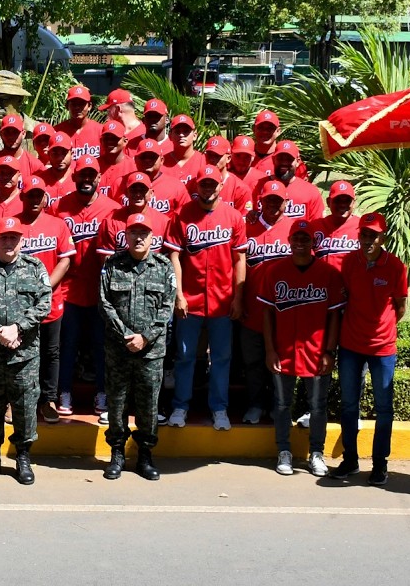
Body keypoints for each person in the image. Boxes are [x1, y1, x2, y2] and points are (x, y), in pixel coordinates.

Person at [0, 217, 53, 485]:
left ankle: (23, 457)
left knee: (25, 408)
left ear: (22, 240)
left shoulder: (35, 268)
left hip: (24, 355)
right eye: (3, 237)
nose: (8, 243)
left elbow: (44, 303)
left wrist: (18, 328)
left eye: (14, 238)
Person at [258, 219, 344, 477]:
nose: (299, 243)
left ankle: (316, 452)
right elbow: (267, 314)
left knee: (318, 405)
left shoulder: (329, 274)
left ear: (313, 242)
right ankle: (283, 451)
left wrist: (329, 351)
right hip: (283, 351)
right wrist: (270, 350)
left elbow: (333, 317)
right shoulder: (273, 271)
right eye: (296, 238)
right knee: (282, 404)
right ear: (289, 241)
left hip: (317, 352)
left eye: (305, 239)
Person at [165, 166, 247, 431]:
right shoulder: (182, 215)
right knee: (186, 356)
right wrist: (178, 293)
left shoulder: (233, 217)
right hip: (191, 298)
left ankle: (219, 408)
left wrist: (238, 297)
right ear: (196, 186)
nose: (208, 188)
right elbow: (174, 256)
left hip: (223, 300)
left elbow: (240, 259)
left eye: (212, 184)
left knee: (222, 357)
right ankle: (180, 405)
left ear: (220, 186)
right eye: (204, 184)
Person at [330, 212, 408, 485]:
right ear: (358, 235)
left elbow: (400, 307)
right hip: (351, 345)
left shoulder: (396, 267)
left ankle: (379, 464)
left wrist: (381, 329)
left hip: (383, 348)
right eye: (364, 234)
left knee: (383, 408)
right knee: (349, 405)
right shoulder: (349, 263)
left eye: (373, 235)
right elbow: (345, 296)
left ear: (382, 236)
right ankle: (350, 459)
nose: (368, 239)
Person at [98, 212, 176, 481]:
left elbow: (167, 308)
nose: (138, 237)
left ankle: (145, 455)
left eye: (144, 233)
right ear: (126, 235)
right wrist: (127, 335)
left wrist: (145, 337)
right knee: (117, 404)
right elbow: (104, 303)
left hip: (151, 352)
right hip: (118, 350)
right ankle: (117, 454)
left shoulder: (164, 267)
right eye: (134, 232)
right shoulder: (112, 264)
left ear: (152, 237)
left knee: (148, 406)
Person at [50, 156, 120, 418]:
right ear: (74, 177)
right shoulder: (59, 207)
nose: (86, 179)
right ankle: (64, 391)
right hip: (68, 289)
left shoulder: (111, 208)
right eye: (82, 175)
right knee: (67, 344)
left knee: (101, 345)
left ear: (99, 178)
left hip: (101, 290)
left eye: (91, 175)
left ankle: (102, 392)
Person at [15, 177, 76, 423]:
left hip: (50, 299)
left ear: (45, 198)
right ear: (22, 196)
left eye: (39, 195)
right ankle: (16, 399)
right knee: (18, 351)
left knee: (50, 352)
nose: (35, 199)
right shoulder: (12, 224)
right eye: (30, 194)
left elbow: (66, 259)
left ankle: (48, 399)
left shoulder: (57, 224)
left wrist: (45, 286)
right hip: (18, 300)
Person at [237, 181, 292, 424]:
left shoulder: (294, 229)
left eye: (278, 200)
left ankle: (278, 406)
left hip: (284, 313)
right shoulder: (247, 227)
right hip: (253, 309)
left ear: (286, 203)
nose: (273, 204)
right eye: (269, 199)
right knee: (253, 363)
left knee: (281, 363)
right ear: (260, 201)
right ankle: (256, 405)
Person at [252, 141, 324, 221]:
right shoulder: (257, 186)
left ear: (298, 162)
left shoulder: (311, 191)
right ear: (273, 160)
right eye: (280, 158)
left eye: (289, 159)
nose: (284, 163)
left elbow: (317, 225)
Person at [311, 180, 360, 271]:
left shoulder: (361, 227)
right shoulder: (315, 226)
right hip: (322, 282)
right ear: (328, 202)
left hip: (351, 283)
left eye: (347, 201)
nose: (342, 205)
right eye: (337, 200)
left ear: (354, 202)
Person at [54, 84, 102, 160]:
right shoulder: (57, 132)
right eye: (73, 104)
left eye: (81, 103)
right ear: (67, 106)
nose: (77, 107)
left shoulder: (100, 131)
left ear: (89, 106)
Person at [162, 114, 206, 187]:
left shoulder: (204, 160)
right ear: (170, 136)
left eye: (186, 131)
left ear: (195, 136)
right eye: (177, 132)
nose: (181, 135)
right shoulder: (162, 162)